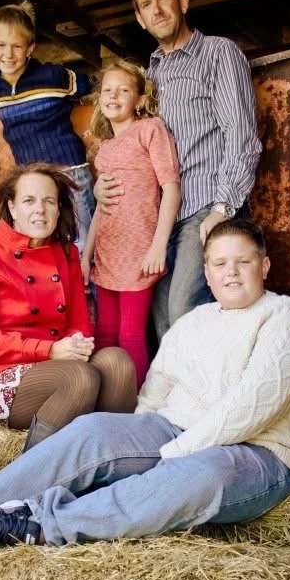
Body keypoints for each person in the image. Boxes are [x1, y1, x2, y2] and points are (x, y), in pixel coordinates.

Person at [0, 219, 290, 563]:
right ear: (206, 269)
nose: (231, 273)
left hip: (258, 452)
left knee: (198, 476)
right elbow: (156, 390)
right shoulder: (194, 322)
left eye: (242, 262)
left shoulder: (285, 318)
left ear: (263, 265)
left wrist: (165, 457)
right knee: (93, 432)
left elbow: (249, 410)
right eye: (220, 264)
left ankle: (37, 526)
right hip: (178, 432)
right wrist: (139, 438)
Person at [94, 0, 262, 340]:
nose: (157, 10)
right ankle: (184, 400)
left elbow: (241, 134)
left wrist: (224, 207)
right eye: (146, 5)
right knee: (164, 327)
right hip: (156, 221)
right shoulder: (148, 77)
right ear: (140, 19)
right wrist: (99, 189)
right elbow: (129, 146)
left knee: (184, 309)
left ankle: (216, 397)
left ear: (182, 2)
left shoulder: (219, 53)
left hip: (203, 208)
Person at [0, 162, 136, 451]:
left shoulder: (66, 253)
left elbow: (79, 323)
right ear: (12, 208)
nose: (40, 209)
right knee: (80, 377)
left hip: (56, 364)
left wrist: (75, 345)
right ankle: (30, 478)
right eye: (29, 201)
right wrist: (49, 351)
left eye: (49, 201)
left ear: (58, 208)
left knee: (117, 361)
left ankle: (111, 464)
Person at [81, 60, 180, 389]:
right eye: (107, 90)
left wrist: (157, 246)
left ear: (138, 99)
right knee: (106, 334)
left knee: (131, 335)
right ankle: (108, 401)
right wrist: (86, 256)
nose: (114, 96)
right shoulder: (104, 150)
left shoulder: (150, 130)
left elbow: (170, 188)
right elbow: (101, 208)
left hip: (140, 251)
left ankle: (138, 408)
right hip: (108, 251)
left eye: (123, 90)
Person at [0, 1, 96, 254]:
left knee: (79, 248)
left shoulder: (51, 76)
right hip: (31, 180)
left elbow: (86, 84)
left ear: (30, 48)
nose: (8, 54)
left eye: (17, 46)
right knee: (41, 249)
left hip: (68, 173)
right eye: (1, 45)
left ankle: (87, 293)